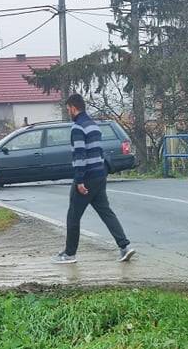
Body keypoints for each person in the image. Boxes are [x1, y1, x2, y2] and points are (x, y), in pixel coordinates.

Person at [53, 94, 135, 264]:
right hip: (99, 175)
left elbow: (80, 155)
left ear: (74, 108)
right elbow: (97, 152)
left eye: (68, 108)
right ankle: (124, 247)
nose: (68, 111)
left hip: (87, 177)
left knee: (73, 215)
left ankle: (69, 254)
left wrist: (80, 180)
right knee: (106, 212)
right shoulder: (94, 126)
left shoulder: (78, 128)